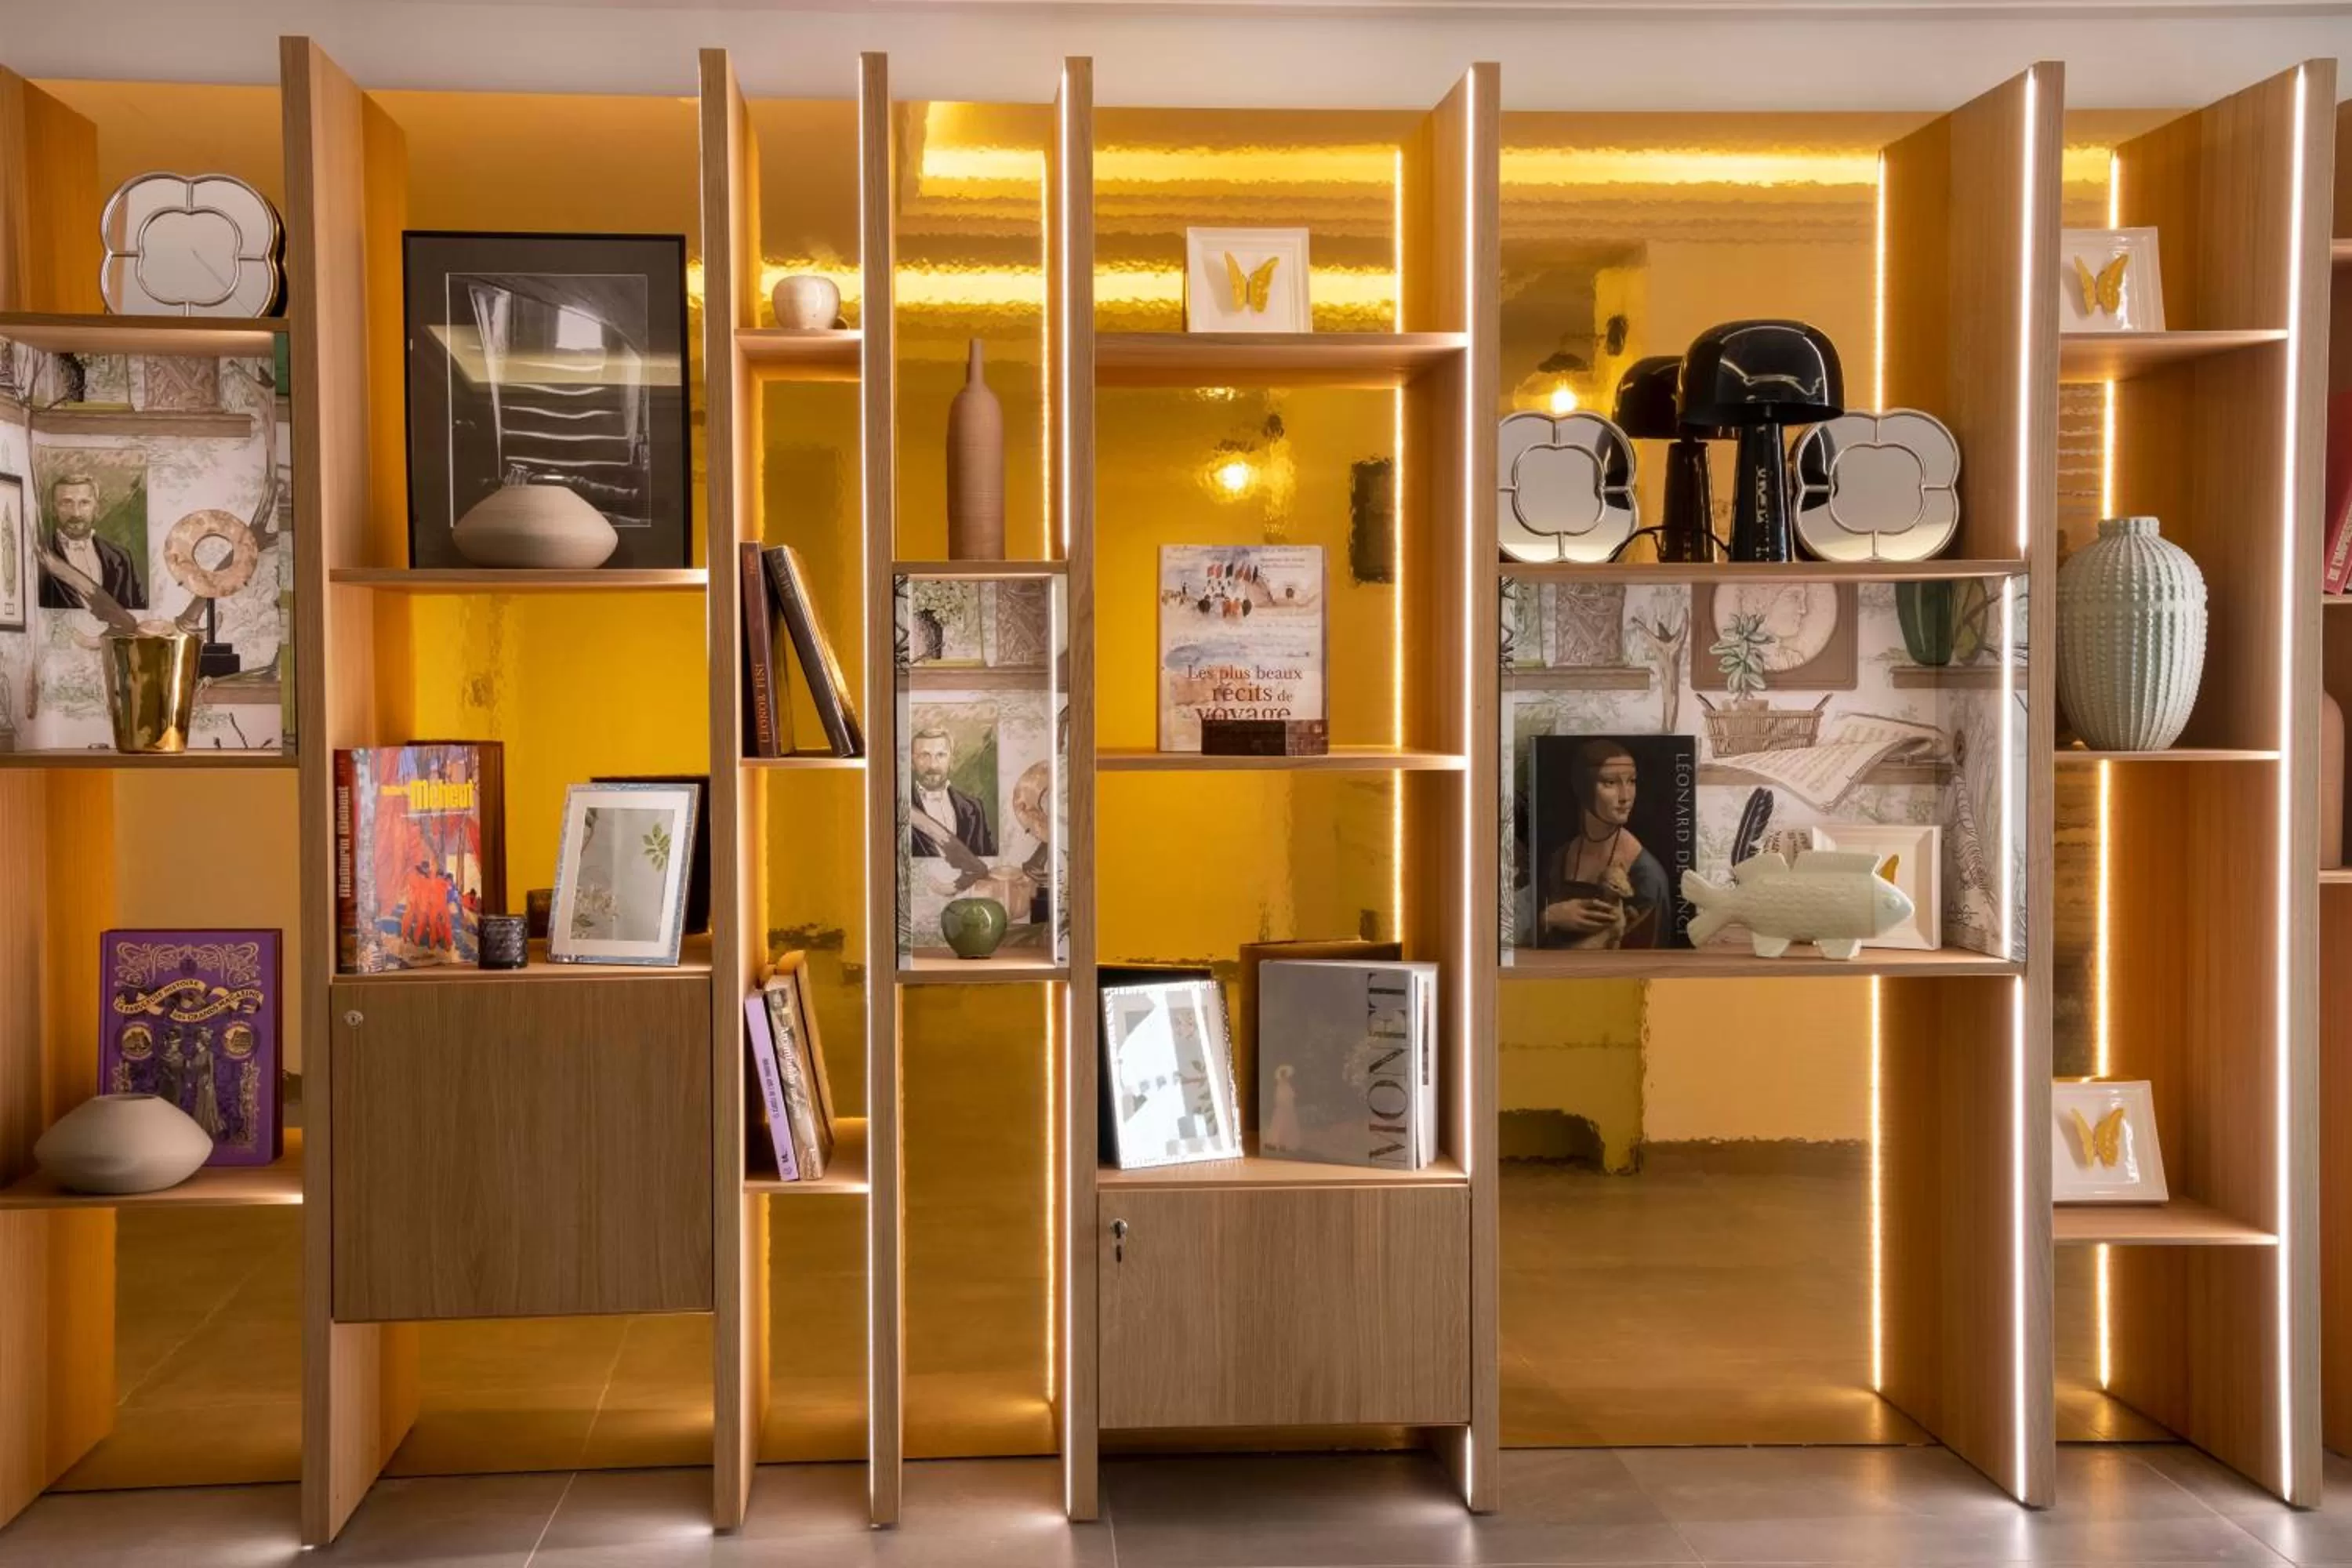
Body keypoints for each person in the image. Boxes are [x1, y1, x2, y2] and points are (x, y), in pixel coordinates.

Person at [1543, 739, 1668, 949]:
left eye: (1631, 781)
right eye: (1610, 783)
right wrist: (1548, 917)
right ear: (1583, 788)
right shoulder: (1561, 857)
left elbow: (1645, 953)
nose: (1625, 797)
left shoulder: (1647, 875)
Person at [38, 472, 144, 611]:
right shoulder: (41, 554)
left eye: (84, 503)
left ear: (97, 509)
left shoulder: (121, 558)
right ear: (54, 508)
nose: (76, 513)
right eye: (66, 503)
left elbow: (138, 614)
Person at [909, 726, 995, 858]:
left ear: (952, 761)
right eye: (924, 756)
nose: (933, 765)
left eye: (941, 755)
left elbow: (987, 860)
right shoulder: (901, 806)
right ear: (912, 762)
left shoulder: (974, 808)